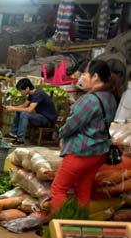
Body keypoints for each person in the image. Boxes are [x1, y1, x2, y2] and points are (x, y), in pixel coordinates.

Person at [50, 60, 119, 215]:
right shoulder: (110, 97)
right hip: (99, 152)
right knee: (83, 190)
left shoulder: (89, 100)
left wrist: (61, 134)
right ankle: (80, 224)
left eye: (85, 74)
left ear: (95, 77)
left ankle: (62, 225)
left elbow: (71, 126)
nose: (82, 77)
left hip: (81, 152)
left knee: (58, 189)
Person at [5, 79, 57, 145]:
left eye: (21, 90)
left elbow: (30, 109)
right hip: (40, 116)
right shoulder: (32, 94)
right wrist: (13, 107)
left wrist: (14, 108)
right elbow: (24, 105)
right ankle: (13, 133)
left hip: (47, 120)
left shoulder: (38, 94)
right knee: (18, 111)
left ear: (27, 88)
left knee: (24, 114)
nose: (20, 92)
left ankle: (20, 139)